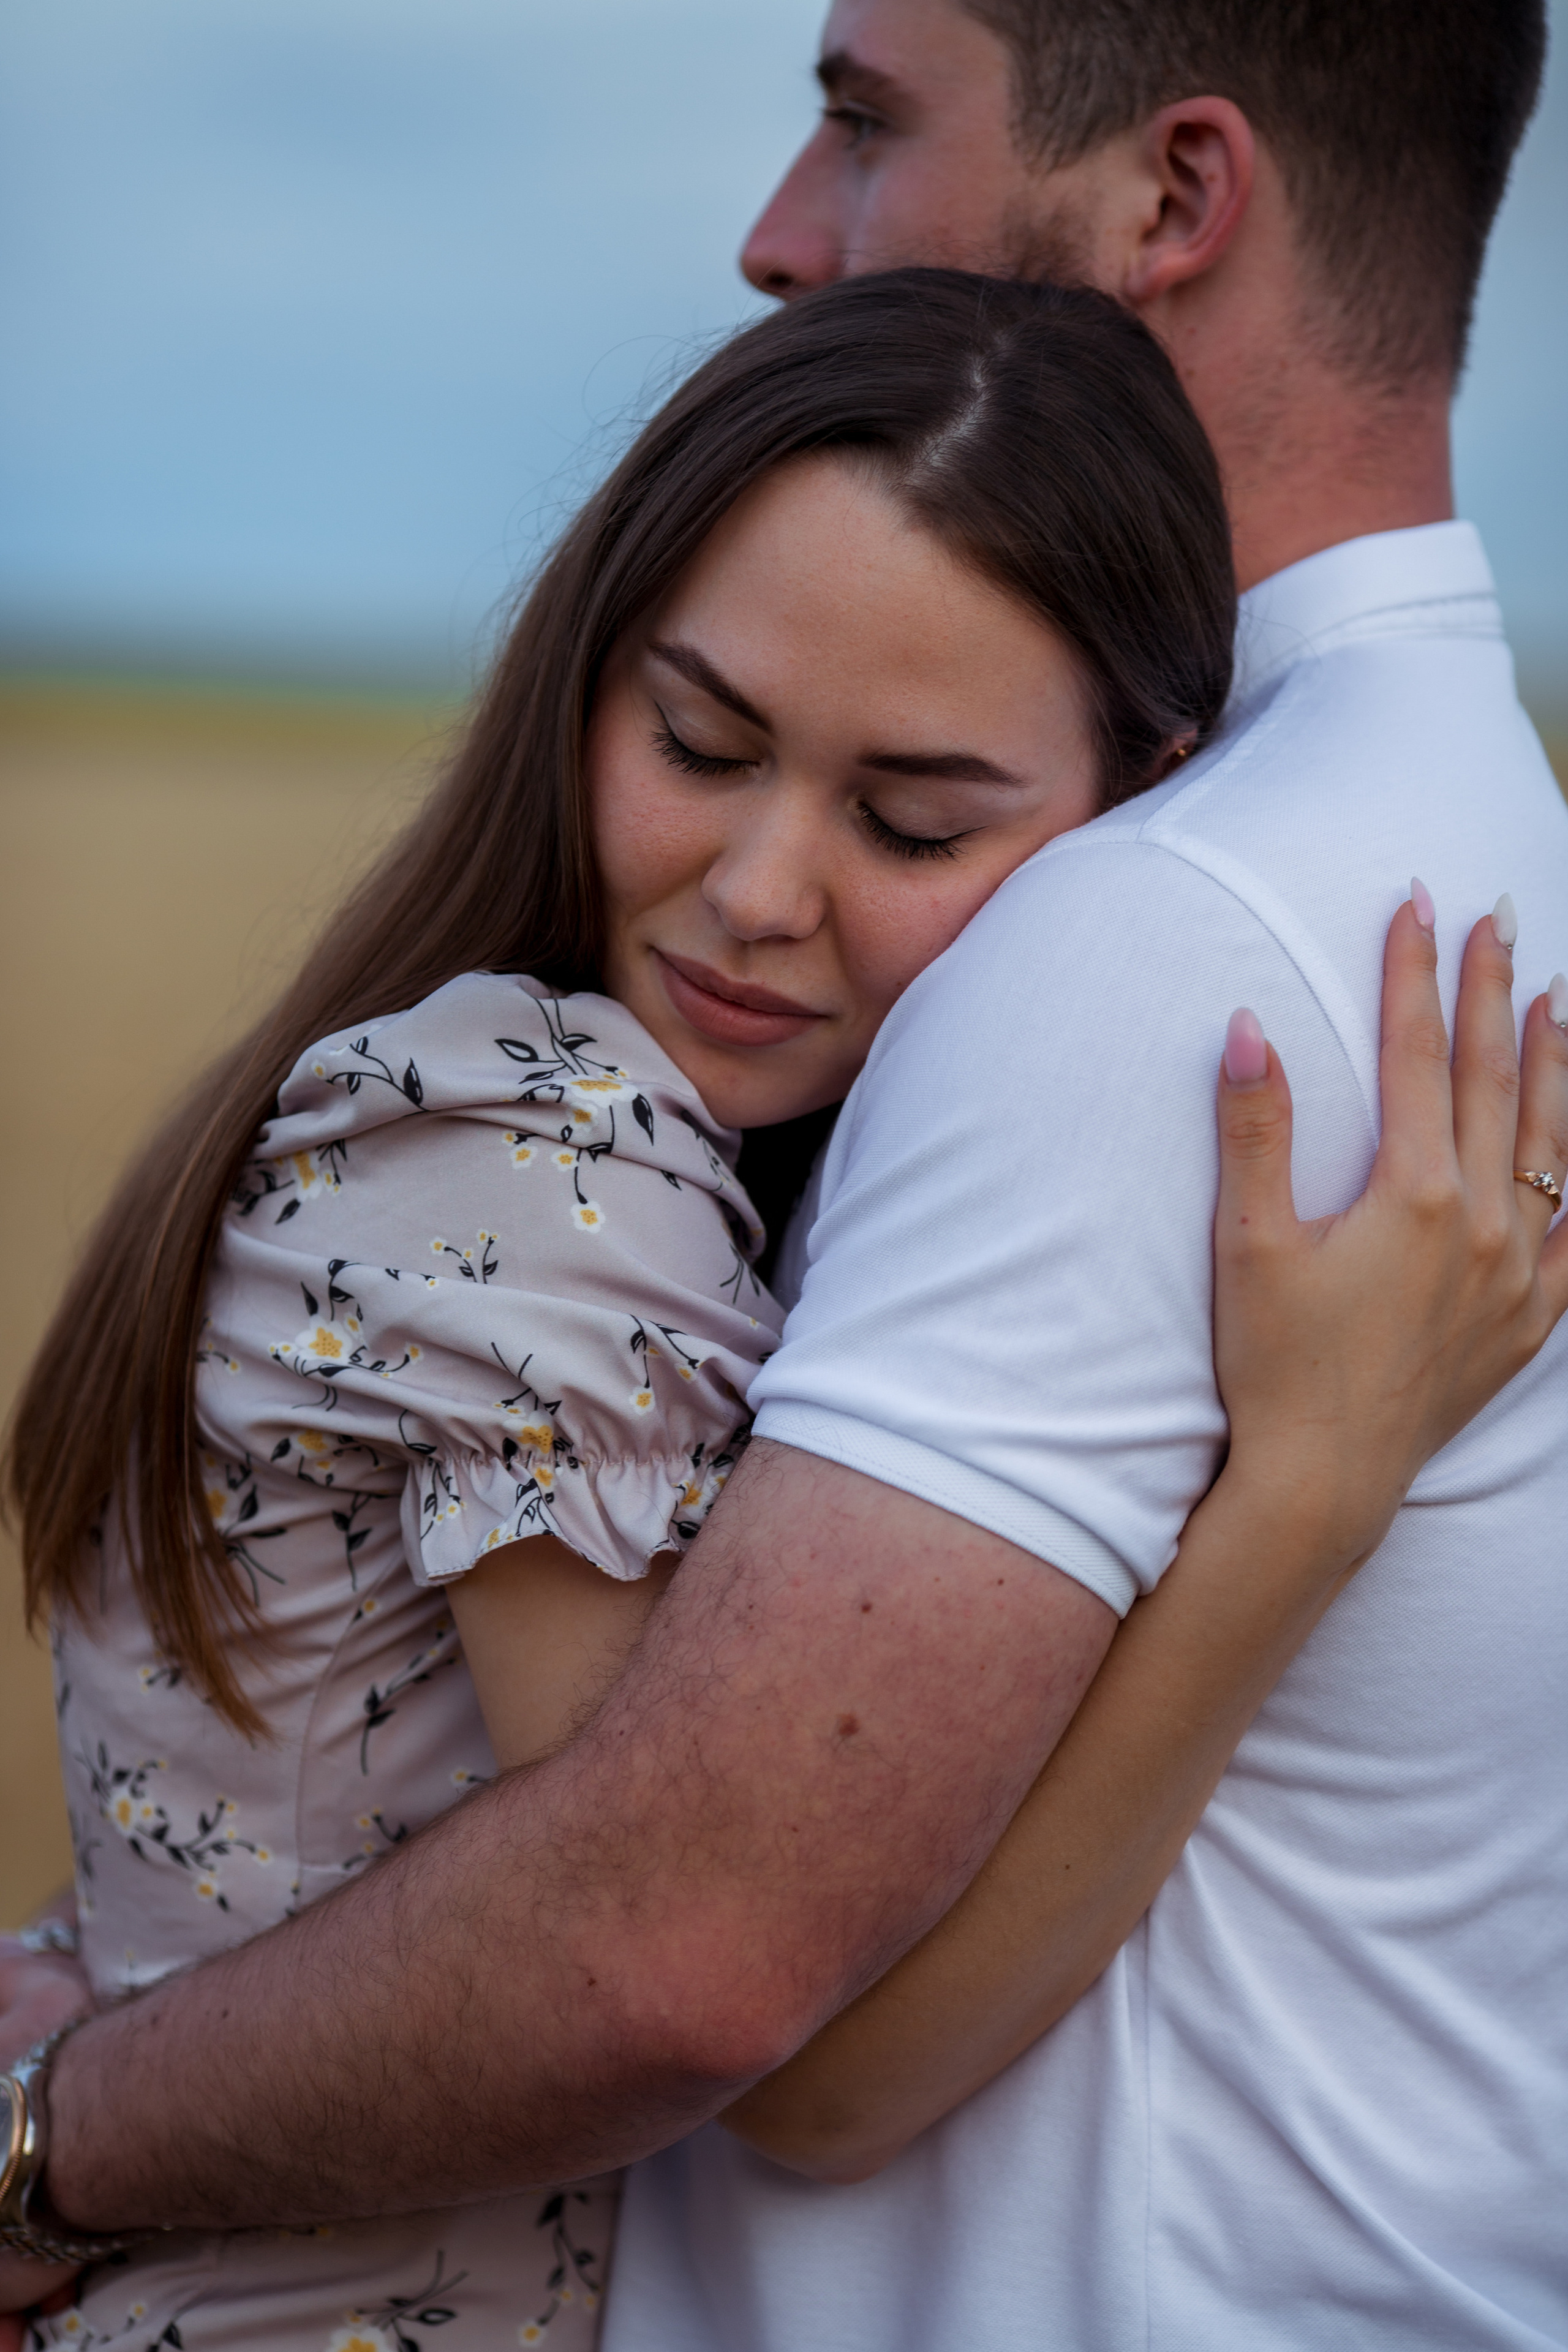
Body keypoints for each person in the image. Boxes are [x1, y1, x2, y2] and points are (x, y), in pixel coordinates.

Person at [1, 0, 1564, 2339]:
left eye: (860, 120)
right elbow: (731, 2000)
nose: (769, 234)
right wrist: (1302, 1494)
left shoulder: (1160, 936)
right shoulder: (1464, 842)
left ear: (1179, 194)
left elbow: (685, 1967)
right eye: (702, 738)